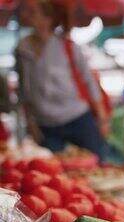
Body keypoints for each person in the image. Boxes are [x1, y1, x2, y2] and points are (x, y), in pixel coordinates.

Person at [14, 0, 108, 160]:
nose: (26, 15)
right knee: (53, 172)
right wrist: (30, 123)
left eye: (33, 12)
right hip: (46, 126)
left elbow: (89, 81)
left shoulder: (67, 46)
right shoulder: (23, 49)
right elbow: (23, 91)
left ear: (48, 18)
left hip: (77, 119)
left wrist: (102, 118)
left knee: (94, 164)